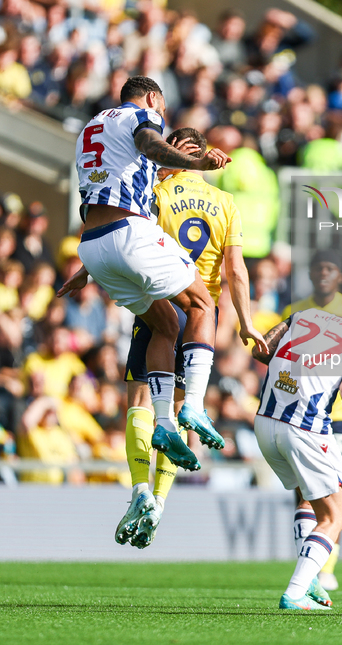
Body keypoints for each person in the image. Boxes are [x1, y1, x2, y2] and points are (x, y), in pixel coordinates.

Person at [57, 76, 232, 532]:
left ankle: (165, 424)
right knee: (202, 306)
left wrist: (87, 269)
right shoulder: (141, 116)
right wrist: (195, 160)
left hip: (93, 244)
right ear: (154, 98)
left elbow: (99, 196)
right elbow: (152, 145)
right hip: (131, 235)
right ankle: (192, 405)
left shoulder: (89, 130)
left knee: (164, 328)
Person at [120, 126, 266, 548]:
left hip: (162, 303)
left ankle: (139, 489)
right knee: (183, 406)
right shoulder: (226, 203)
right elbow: (235, 270)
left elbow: (128, 239)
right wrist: (246, 322)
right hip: (203, 315)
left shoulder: (158, 193)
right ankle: (161, 503)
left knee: (142, 401)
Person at [252, 308, 342, 610]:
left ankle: (309, 576)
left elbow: (261, 350)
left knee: (311, 501)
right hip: (304, 428)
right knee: (334, 517)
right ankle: (295, 592)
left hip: (264, 422)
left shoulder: (305, 315)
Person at [281, 249, 342, 591]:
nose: (323, 273)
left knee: (332, 492)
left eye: (330, 268)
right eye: (318, 268)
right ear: (310, 274)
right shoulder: (294, 311)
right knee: (303, 493)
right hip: (299, 412)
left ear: (340, 276)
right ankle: (308, 565)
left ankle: (322, 569)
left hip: (339, 416)